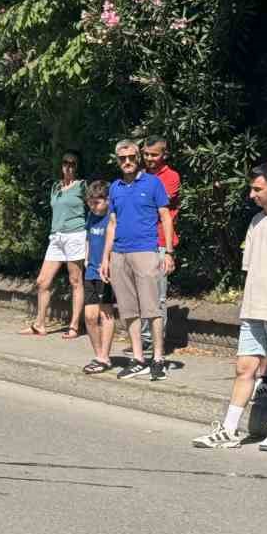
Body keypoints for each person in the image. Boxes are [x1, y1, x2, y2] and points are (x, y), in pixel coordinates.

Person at [193, 164, 267, 451]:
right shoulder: (256, 221)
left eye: (257, 189)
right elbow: (251, 270)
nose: (252, 194)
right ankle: (229, 428)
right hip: (254, 309)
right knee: (244, 367)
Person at [101, 139, 174, 380]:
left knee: (152, 309)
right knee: (129, 310)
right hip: (119, 254)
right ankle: (138, 357)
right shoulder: (115, 187)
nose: (128, 162)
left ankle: (159, 358)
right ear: (118, 160)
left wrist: (169, 252)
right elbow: (112, 224)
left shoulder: (153, 183)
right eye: (123, 159)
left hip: (146, 251)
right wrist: (105, 258)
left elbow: (166, 217)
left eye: (131, 157)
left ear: (138, 158)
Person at [27, 153, 87, 338]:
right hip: (56, 237)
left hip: (75, 235)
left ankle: (74, 326)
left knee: (75, 281)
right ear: (61, 166)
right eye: (65, 163)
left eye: (72, 164)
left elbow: (93, 208)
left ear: (76, 167)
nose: (68, 167)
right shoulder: (56, 187)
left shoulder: (82, 186)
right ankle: (40, 324)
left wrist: (89, 238)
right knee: (42, 281)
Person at [141, 137, 181, 350]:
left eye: (154, 154)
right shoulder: (140, 176)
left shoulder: (171, 177)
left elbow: (153, 203)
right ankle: (144, 340)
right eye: (146, 154)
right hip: (140, 242)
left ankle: (156, 342)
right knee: (141, 293)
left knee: (158, 296)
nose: (149, 158)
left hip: (160, 242)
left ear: (164, 154)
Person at [80, 181, 117, 374]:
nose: (93, 206)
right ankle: (98, 354)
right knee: (89, 316)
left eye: (97, 202)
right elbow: (88, 237)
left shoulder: (112, 217)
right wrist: (86, 258)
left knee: (106, 313)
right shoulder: (91, 216)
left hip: (105, 272)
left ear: (107, 200)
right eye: (90, 202)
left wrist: (109, 264)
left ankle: (104, 356)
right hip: (91, 270)